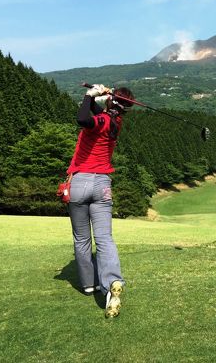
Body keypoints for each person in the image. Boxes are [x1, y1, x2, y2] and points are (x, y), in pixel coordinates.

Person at [66, 83, 134, 318]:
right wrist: (101, 97)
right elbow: (94, 111)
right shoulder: (115, 122)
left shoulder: (102, 121)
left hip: (81, 182)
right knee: (104, 238)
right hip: (103, 185)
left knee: (82, 238)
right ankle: (112, 281)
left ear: (112, 102)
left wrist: (88, 94)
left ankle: (88, 284)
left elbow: (83, 118)